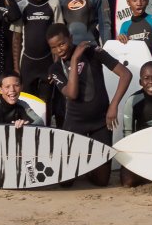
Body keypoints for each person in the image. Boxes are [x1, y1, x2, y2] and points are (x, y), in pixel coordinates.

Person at [48, 26, 127, 186]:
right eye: (54, 47)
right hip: (75, 124)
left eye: (62, 44)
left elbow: (126, 74)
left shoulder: (92, 51)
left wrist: (113, 105)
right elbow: (72, 94)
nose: (59, 50)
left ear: (70, 38)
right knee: (65, 183)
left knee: (102, 182)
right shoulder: (55, 69)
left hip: (100, 122)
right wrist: (75, 59)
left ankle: (88, 167)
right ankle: (79, 160)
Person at [12, 0, 63, 104]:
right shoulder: (22, 6)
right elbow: (16, 39)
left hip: (47, 62)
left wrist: (57, 65)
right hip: (27, 64)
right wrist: (16, 68)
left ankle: (46, 125)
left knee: (46, 102)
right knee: (27, 101)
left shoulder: (54, 4)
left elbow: (59, 38)